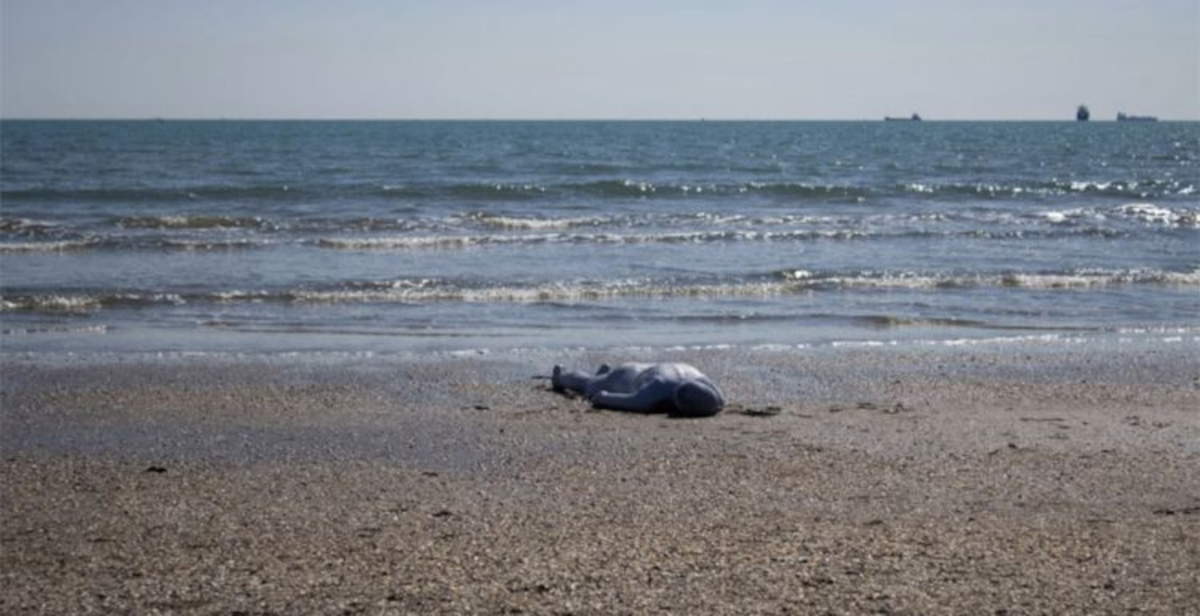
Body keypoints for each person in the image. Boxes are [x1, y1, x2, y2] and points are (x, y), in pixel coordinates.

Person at [551, 362, 725, 417]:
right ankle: (559, 378)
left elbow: (719, 402)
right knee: (588, 383)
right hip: (625, 377)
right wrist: (602, 397)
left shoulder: (698, 376)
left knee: (597, 379)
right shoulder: (659, 387)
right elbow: (609, 398)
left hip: (643, 368)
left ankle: (603, 373)